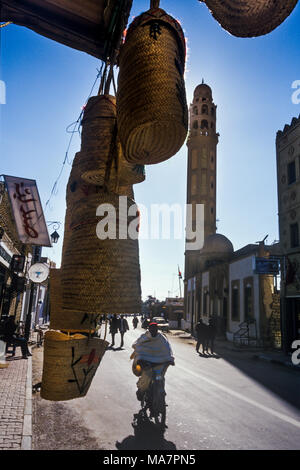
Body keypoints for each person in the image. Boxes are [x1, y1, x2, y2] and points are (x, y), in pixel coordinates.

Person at [131, 322, 175, 401]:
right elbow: (138, 346)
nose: (153, 330)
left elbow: (167, 349)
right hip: (147, 364)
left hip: (159, 365)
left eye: (155, 329)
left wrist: (169, 359)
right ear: (149, 329)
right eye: (152, 329)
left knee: (160, 378)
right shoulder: (144, 337)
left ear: (157, 329)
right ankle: (141, 391)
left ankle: (161, 392)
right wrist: (140, 359)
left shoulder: (161, 338)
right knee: (146, 378)